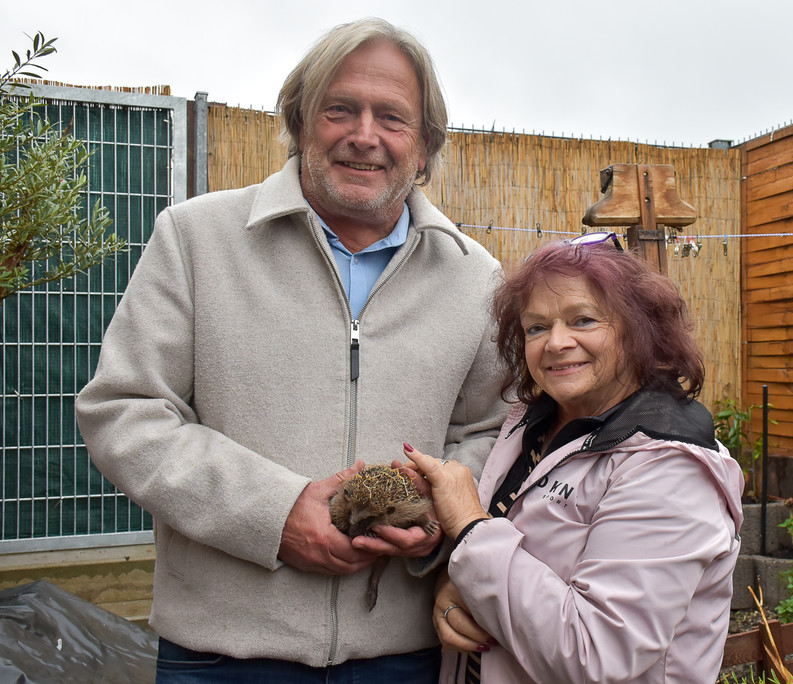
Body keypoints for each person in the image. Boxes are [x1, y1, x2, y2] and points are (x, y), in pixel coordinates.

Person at [74, 17, 507, 683]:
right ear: (300, 123)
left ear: (424, 146)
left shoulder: (476, 279)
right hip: (220, 657)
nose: (364, 134)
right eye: (340, 109)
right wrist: (273, 515)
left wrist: (432, 516)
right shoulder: (196, 240)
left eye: (392, 117)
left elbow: (493, 431)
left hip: (405, 657)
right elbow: (125, 411)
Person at [404, 232, 745, 684]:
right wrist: (459, 581)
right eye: (536, 327)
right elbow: (498, 563)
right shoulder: (534, 422)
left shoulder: (670, 467)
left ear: (640, 330)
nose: (556, 342)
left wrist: (469, 527)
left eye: (582, 320)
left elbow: (596, 653)